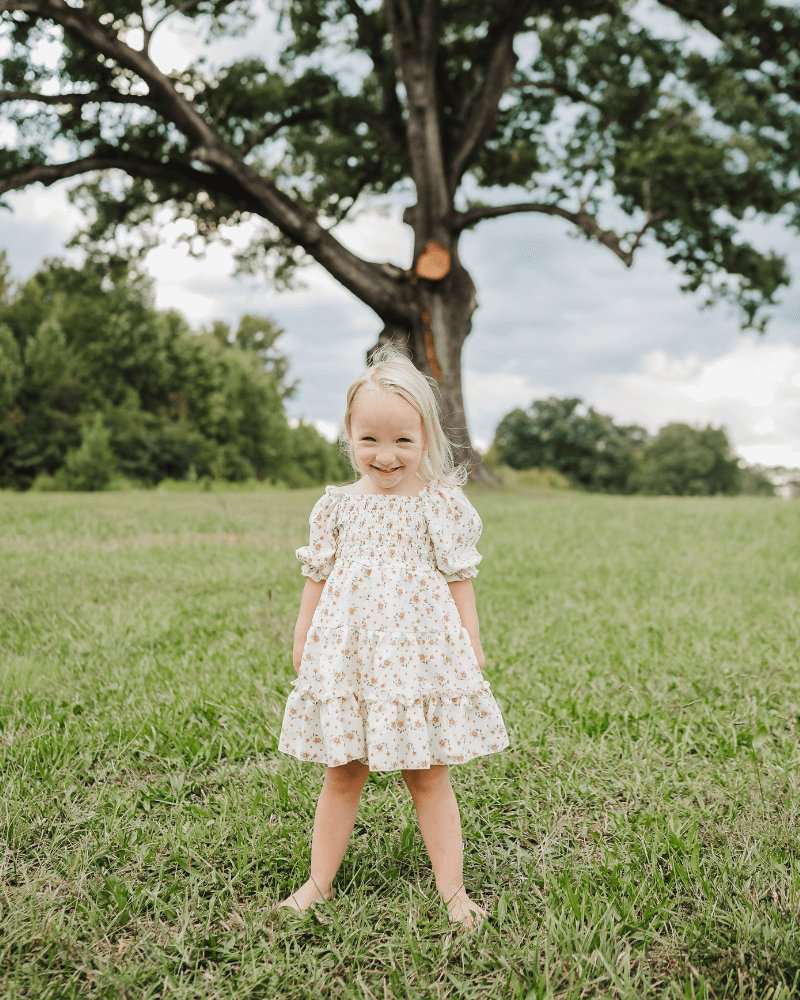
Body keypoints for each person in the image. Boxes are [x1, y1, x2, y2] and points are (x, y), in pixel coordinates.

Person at [275, 344, 510, 930]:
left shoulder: (439, 506)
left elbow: (460, 580)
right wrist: (302, 636)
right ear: (349, 438)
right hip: (349, 656)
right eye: (370, 440)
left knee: (428, 774)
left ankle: (453, 892)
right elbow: (316, 576)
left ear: (425, 437)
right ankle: (317, 884)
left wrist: (472, 644)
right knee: (343, 769)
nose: (386, 455)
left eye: (403, 440)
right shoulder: (336, 507)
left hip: (416, 660)